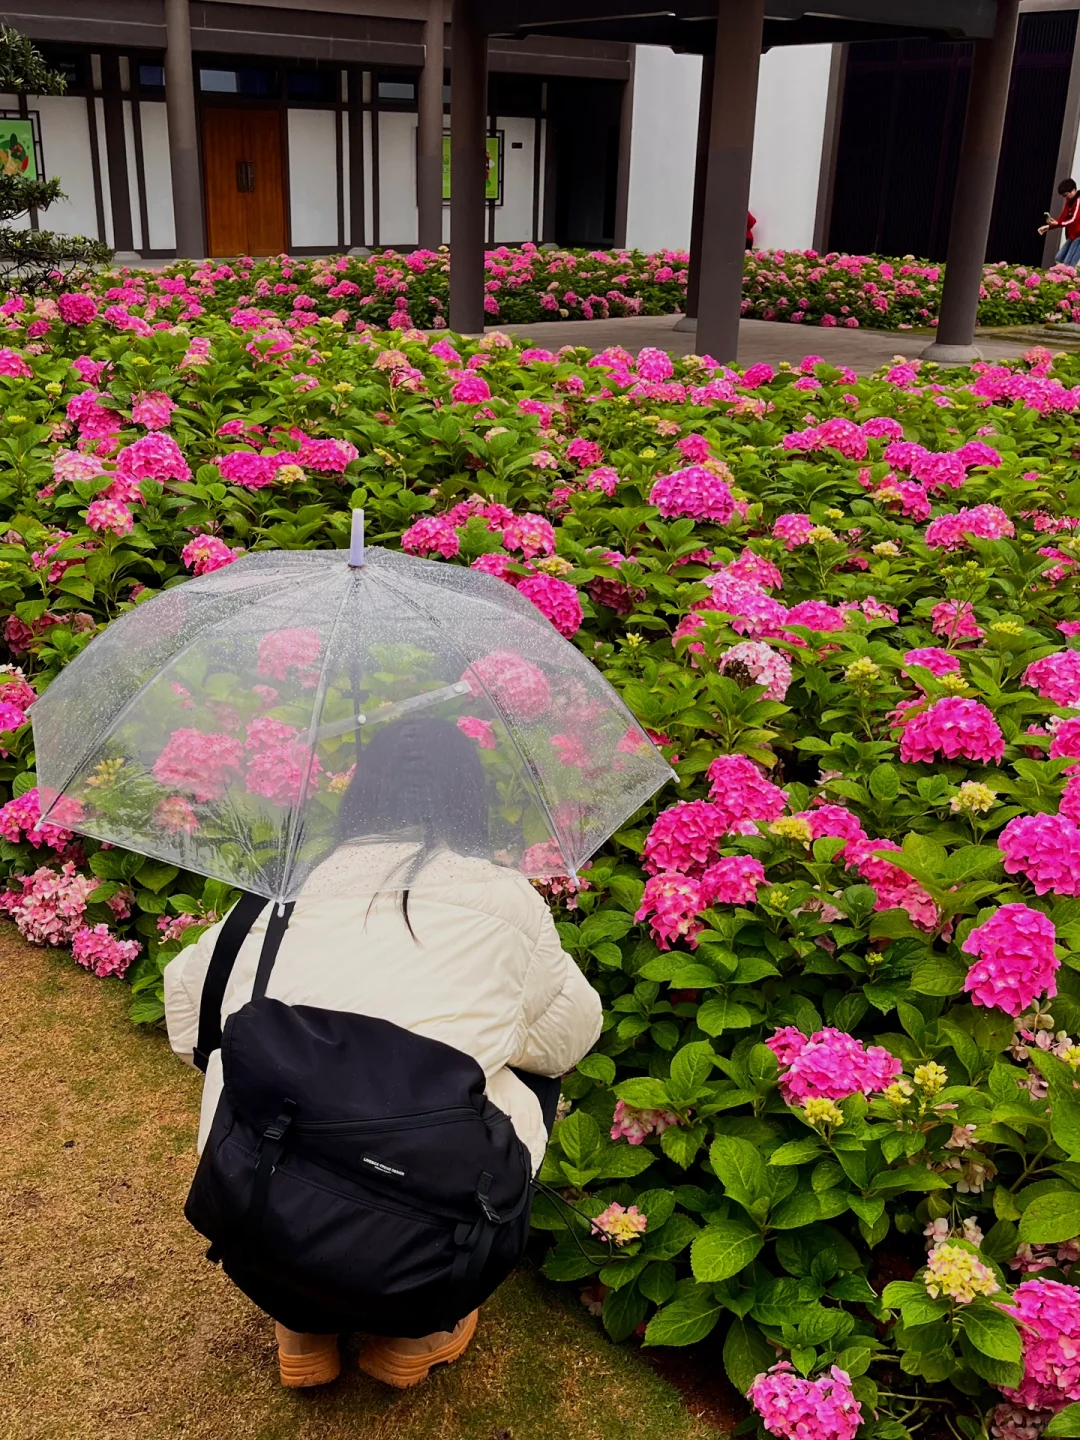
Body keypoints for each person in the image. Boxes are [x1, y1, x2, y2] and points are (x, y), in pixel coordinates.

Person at [164, 715, 603, 1390]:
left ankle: (300, 1325)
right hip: (423, 1239)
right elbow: (571, 1036)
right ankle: (418, 1334)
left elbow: (187, 1017)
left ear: (361, 795)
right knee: (533, 1079)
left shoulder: (280, 896)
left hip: (262, 1204)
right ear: (470, 800)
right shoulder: (510, 902)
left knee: (242, 1065)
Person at [1039, 178, 1080, 265]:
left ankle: (1069, 277)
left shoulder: (1078, 200)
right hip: (1072, 235)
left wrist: (1059, 223)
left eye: (1066, 195)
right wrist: (1049, 226)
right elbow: (1063, 218)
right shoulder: (1069, 201)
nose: (1065, 197)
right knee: (1059, 258)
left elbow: (1074, 219)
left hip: (1078, 236)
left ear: (1073, 190)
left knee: (1069, 263)